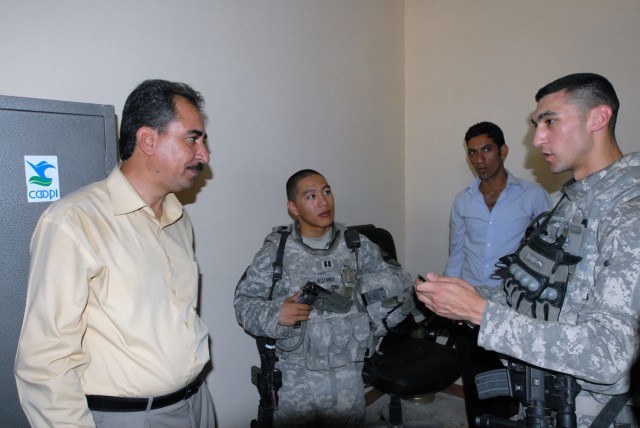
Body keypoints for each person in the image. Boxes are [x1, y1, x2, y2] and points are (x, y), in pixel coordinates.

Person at [417, 73, 640, 428]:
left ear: (598, 118)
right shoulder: (567, 207)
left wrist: (480, 312)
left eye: (550, 121)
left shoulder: (628, 214)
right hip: (541, 401)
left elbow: (610, 356)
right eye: (537, 124)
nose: (536, 138)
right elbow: (536, 295)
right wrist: (471, 294)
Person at [14, 79, 216, 427]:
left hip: (197, 404)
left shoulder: (177, 219)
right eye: (192, 138)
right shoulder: (73, 222)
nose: (204, 155)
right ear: (147, 140)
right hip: (132, 418)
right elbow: (45, 363)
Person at [234, 169, 415, 428]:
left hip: (348, 375)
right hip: (297, 379)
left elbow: (400, 280)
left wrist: (365, 298)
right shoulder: (276, 252)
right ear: (293, 208)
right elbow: (244, 304)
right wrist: (277, 314)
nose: (323, 201)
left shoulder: (355, 246)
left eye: (327, 192)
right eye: (311, 196)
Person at [444, 121, 551, 426]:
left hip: (511, 305)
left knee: (514, 383)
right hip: (469, 302)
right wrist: (449, 299)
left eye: (487, 150)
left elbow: (545, 258)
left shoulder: (533, 196)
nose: (479, 159)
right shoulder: (463, 200)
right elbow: (457, 253)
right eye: (473, 153)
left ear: (503, 151)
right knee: (477, 383)